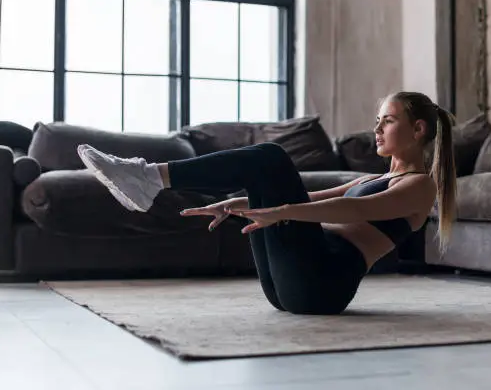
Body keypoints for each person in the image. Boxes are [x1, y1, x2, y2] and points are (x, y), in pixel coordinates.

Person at [76, 91, 456, 315]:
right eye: (377, 120)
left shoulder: (420, 186)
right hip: (291, 288)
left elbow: (356, 211)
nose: (376, 129)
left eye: (386, 121)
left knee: (271, 157)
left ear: (418, 129)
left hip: (323, 285)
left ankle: (148, 177)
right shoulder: (372, 179)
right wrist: (235, 203)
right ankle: (150, 179)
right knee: (264, 171)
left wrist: (283, 212)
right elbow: (302, 198)